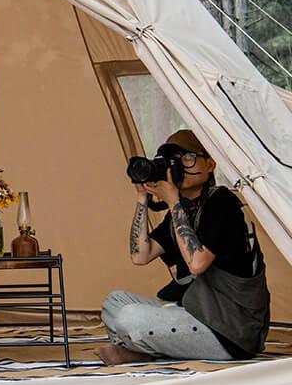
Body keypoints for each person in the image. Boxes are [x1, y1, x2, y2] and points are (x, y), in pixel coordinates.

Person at [100, 129, 270, 365]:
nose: (180, 166)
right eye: (174, 161)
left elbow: (197, 263)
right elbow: (140, 255)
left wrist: (172, 201)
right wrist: (142, 198)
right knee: (114, 302)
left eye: (188, 158)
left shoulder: (222, 203)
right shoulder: (180, 212)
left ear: (210, 164)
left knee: (130, 318)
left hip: (230, 330)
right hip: (194, 312)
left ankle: (143, 349)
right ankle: (149, 348)